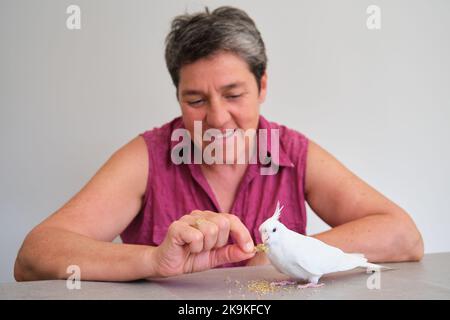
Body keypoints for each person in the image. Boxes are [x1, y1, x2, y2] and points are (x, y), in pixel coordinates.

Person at [14, 6, 423, 282]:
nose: (216, 118)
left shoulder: (292, 152)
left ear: (262, 86)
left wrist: (282, 253)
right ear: (176, 97)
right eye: (195, 100)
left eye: (233, 95)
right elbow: (33, 256)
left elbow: (403, 237)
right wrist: (153, 260)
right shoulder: (149, 156)